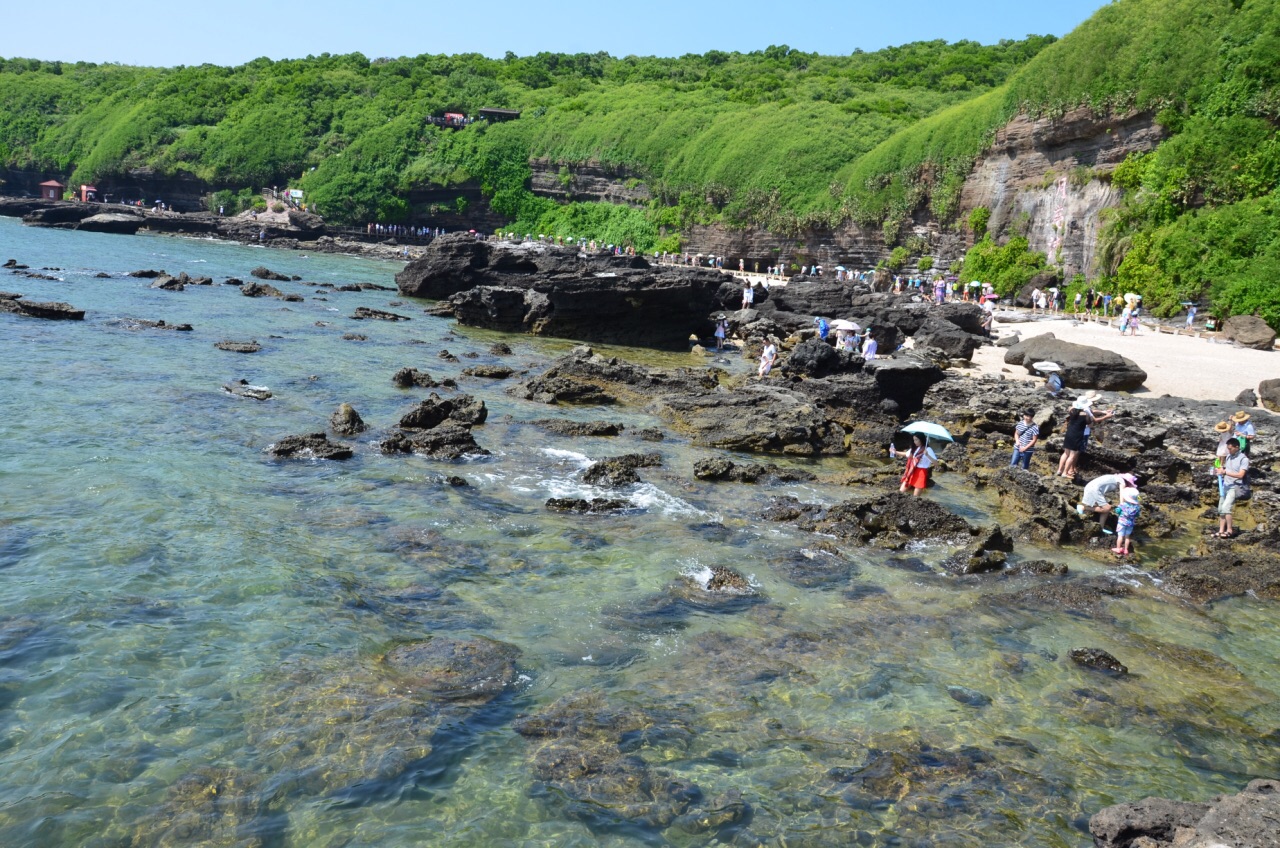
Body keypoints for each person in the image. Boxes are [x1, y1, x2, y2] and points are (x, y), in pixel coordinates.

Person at [1214, 438, 1249, 538]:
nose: (1228, 450)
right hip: (1225, 485)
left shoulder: (1244, 459)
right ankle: (1221, 531)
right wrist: (1220, 470)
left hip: (1235, 486)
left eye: (1230, 448)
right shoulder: (1229, 456)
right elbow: (1227, 469)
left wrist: (1225, 472)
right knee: (1221, 509)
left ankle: (1229, 530)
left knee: (1226, 508)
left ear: (1237, 447)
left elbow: (1241, 475)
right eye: (1228, 448)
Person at [1057, 406, 1088, 478]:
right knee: (1072, 456)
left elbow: (1070, 408)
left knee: (1065, 453)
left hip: (1069, 434)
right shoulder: (1085, 414)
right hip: (1077, 436)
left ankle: (1059, 470)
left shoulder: (1072, 412)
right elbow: (1090, 423)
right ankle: (1065, 473)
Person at [1113, 487, 1141, 556]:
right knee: (1127, 537)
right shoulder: (1137, 507)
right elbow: (1137, 515)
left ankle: (1118, 549)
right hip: (1130, 524)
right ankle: (1126, 550)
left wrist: (1119, 512)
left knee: (1120, 536)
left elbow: (1117, 511)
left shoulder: (1123, 505)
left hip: (1122, 523)